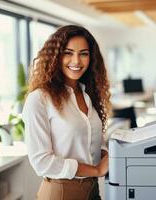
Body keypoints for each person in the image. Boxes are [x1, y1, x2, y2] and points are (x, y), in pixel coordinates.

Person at [22, 25, 111, 200]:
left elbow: (89, 144)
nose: (76, 61)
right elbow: (42, 162)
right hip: (61, 192)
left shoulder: (87, 95)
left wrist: (110, 153)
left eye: (83, 53)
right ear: (55, 56)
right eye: (68, 53)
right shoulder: (39, 99)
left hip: (92, 190)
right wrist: (96, 169)